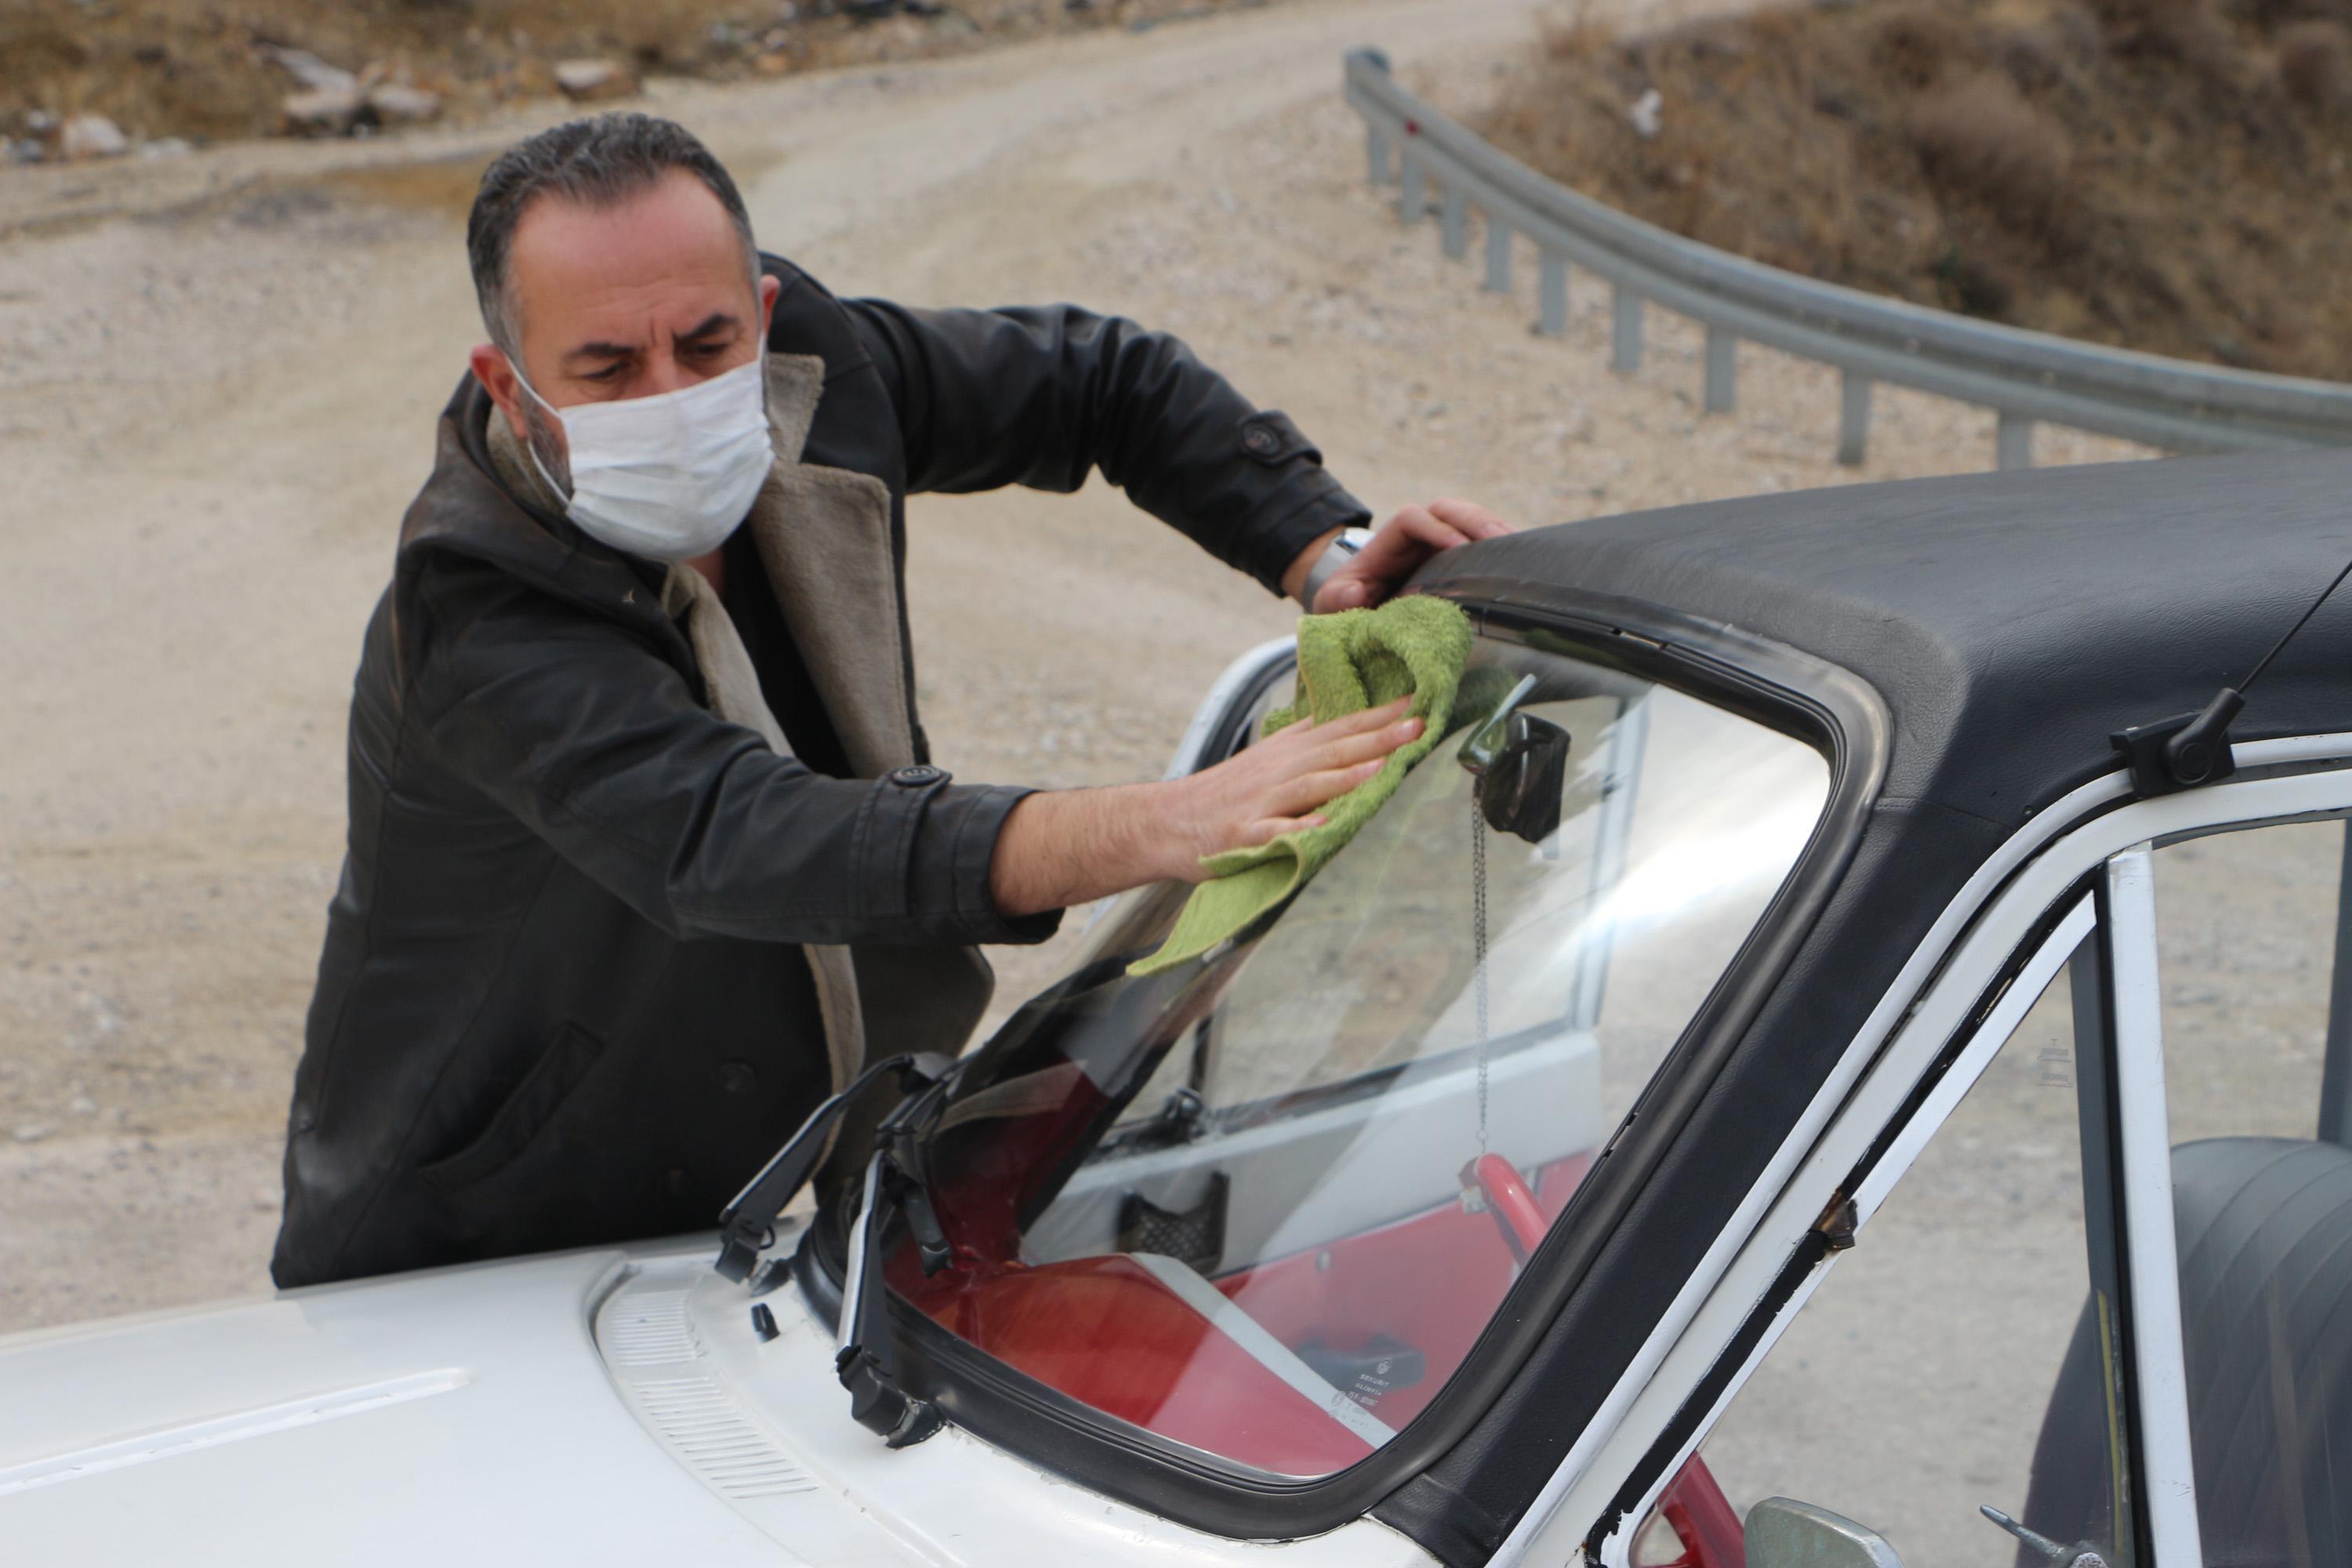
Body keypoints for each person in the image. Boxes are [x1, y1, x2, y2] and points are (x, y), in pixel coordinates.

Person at [270, 112, 1512, 1287]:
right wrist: (1159, 824)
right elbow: (743, 835)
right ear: (507, 382)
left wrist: (1323, 550)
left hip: (756, 1179)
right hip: (482, 1232)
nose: (670, 395)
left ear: (761, 313)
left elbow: (1103, 384)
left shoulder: (821, 370)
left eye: (706, 347)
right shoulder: (475, 610)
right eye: (603, 367)